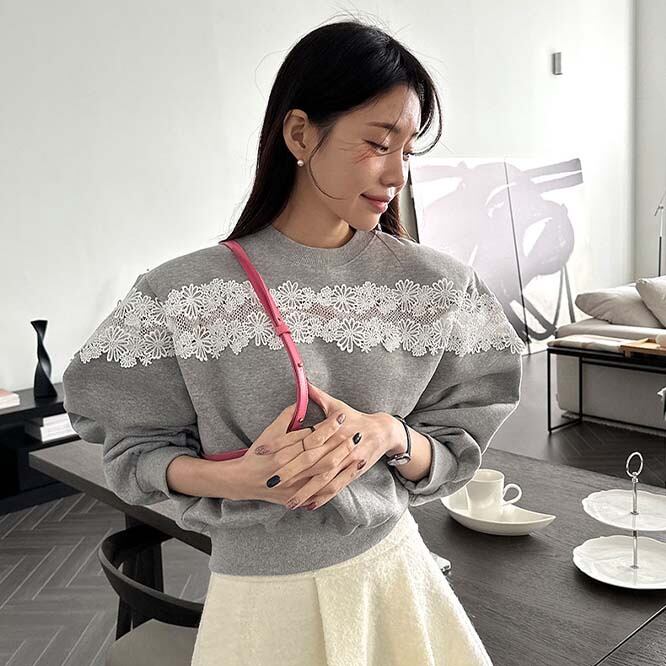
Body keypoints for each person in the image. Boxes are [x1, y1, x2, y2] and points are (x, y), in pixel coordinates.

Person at [62, 17, 524, 666]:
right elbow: (129, 447)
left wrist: (390, 435)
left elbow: (458, 441)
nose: (397, 174)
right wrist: (237, 478)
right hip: (258, 602)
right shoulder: (181, 293)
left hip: (393, 579)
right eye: (378, 143)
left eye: (409, 151)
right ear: (301, 134)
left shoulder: (439, 288)